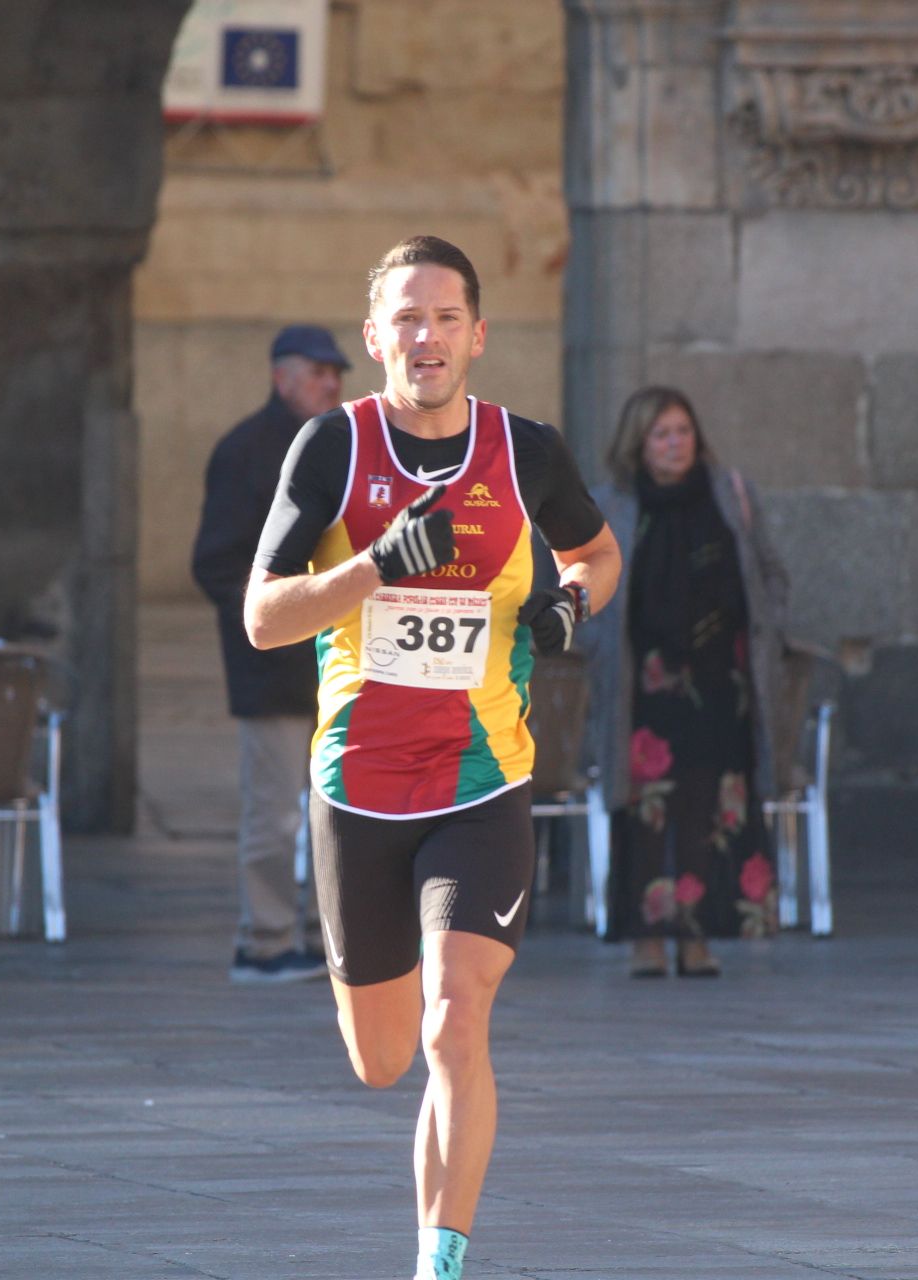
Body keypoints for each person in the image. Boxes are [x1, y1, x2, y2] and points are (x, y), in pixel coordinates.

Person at [243, 235, 621, 1280]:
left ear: (478, 335)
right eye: (406, 318)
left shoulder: (525, 450)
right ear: (375, 338)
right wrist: (372, 567)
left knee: (459, 1022)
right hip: (356, 787)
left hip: (482, 778)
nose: (427, 335)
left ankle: (440, 1259)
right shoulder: (331, 448)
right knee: (384, 1057)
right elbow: (263, 616)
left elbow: (597, 551)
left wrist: (569, 600)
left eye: (446, 316)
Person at [580, 387, 789, 978]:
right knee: (645, 808)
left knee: (710, 806)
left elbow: (770, 571)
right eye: (662, 434)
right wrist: (597, 643)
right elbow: (581, 580)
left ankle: (701, 936)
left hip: (721, 678)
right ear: (638, 444)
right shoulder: (613, 506)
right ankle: (647, 936)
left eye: (683, 431)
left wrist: (768, 626)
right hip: (643, 682)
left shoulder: (731, 495)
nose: (675, 444)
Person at [192, 324, 348, 984]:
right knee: (275, 810)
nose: (332, 382)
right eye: (318, 372)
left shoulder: (342, 444)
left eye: (336, 372)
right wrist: (276, 617)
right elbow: (216, 564)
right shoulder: (246, 450)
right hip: (273, 667)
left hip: (334, 663)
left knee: (331, 808)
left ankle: (314, 933)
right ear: (281, 377)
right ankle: (265, 939)